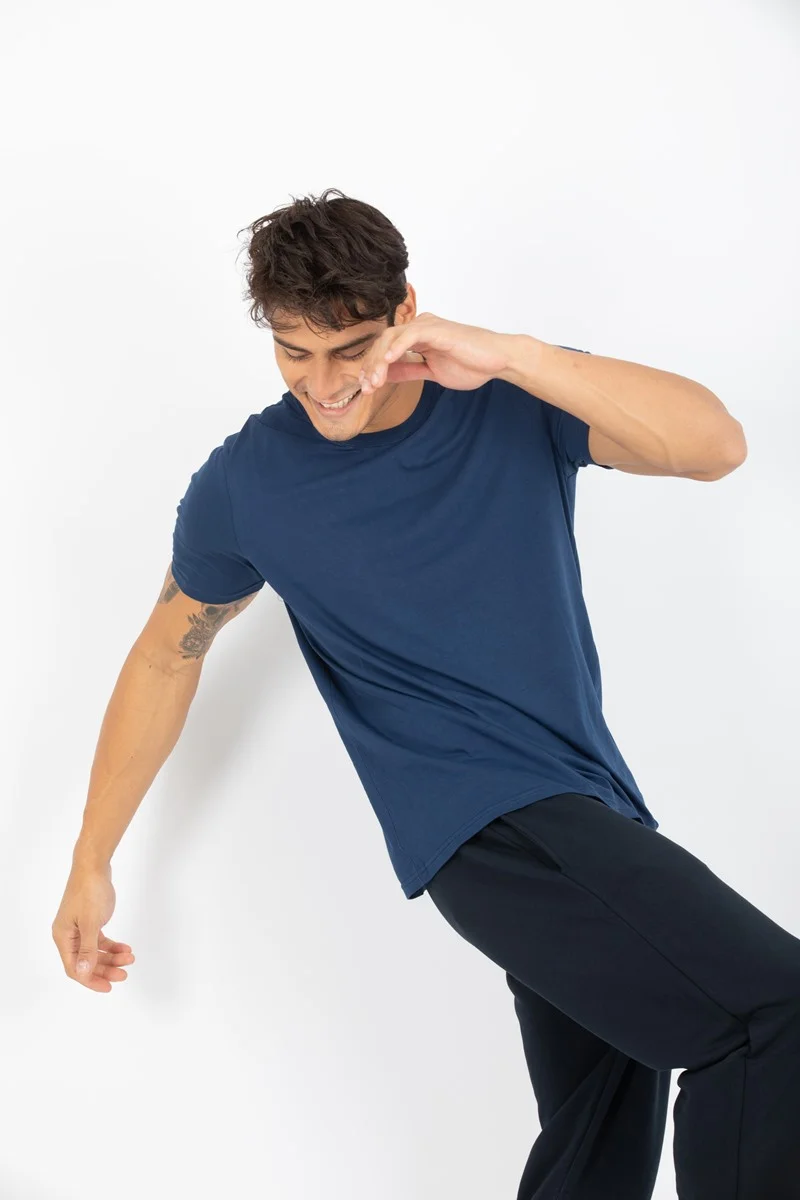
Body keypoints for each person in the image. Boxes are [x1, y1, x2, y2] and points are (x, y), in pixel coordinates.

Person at [52, 188, 800, 1198]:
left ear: (405, 311)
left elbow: (713, 446)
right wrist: (90, 860)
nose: (322, 384)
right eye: (292, 351)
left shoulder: (509, 401)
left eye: (349, 348)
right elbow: (163, 656)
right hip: (488, 828)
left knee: (600, 1127)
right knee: (770, 1014)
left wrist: (510, 354)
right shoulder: (247, 485)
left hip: (583, 806)